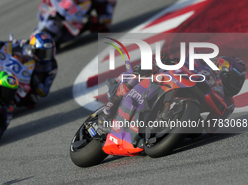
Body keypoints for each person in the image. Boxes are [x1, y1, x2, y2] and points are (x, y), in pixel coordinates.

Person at [98, 54, 246, 134]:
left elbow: (211, 128)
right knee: (149, 67)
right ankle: (111, 106)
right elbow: (182, 61)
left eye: (238, 81)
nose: (234, 83)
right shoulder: (202, 64)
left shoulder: (228, 103)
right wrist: (167, 61)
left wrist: (195, 123)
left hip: (187, 109)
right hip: (170, 80)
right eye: (233, 78)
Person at [0, 32, 58, 108]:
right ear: (34, 49)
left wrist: (37, 83)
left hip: (27, 86)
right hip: (14, 70)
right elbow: (8, 44)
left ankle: (6, 105)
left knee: (32, 101)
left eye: (49, 52)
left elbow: (44, 92)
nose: (46, 56)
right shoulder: (25, 45)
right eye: (43, 53)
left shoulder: (52, 66)